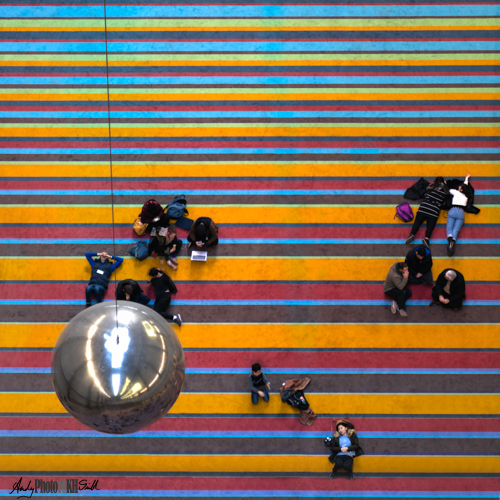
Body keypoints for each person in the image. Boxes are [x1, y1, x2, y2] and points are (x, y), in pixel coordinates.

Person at [405, 176, 448, 249]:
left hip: (424, 208)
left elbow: (425, 194)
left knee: (417, 222)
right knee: (430, 227)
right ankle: (427, 239)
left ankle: (412, 234)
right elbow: (447, 195)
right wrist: (445, 185)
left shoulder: (430, 187)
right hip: (434, 211)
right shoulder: (445, 191)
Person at [446, 174, 471, 256]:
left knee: (449, 228)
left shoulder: (455, 192)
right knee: (455, 230)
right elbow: (466, 186)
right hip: (461, 212)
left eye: (460, 187)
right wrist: (466, 179)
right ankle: (452, 243)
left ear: (461, 189)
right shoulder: (466, 196)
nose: (459, 187)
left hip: (453, 210)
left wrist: (445, 184)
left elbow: (448, 190)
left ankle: (450, 243)